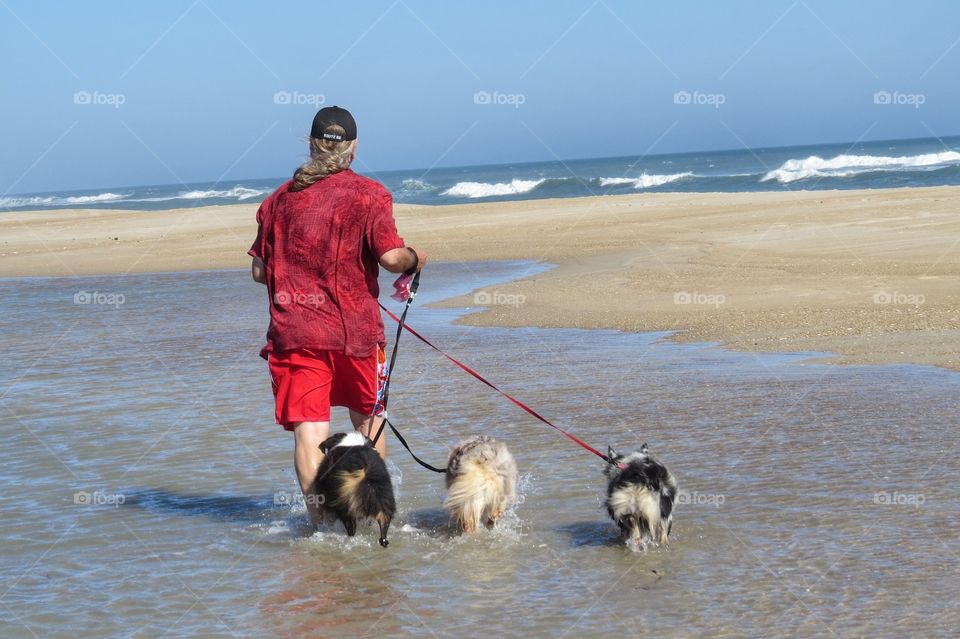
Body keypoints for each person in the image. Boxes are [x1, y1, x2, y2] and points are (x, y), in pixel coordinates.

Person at [248, 105, 426, 527]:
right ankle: (375, 516)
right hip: (356, 332)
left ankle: (322, 527)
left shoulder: (277, 200)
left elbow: (259, 272)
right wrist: (418, 257)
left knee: (310, 432)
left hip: (297, 332)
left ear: (310, 144)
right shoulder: (369, 194)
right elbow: (390, 257)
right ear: (353, 148)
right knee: (370, 422)